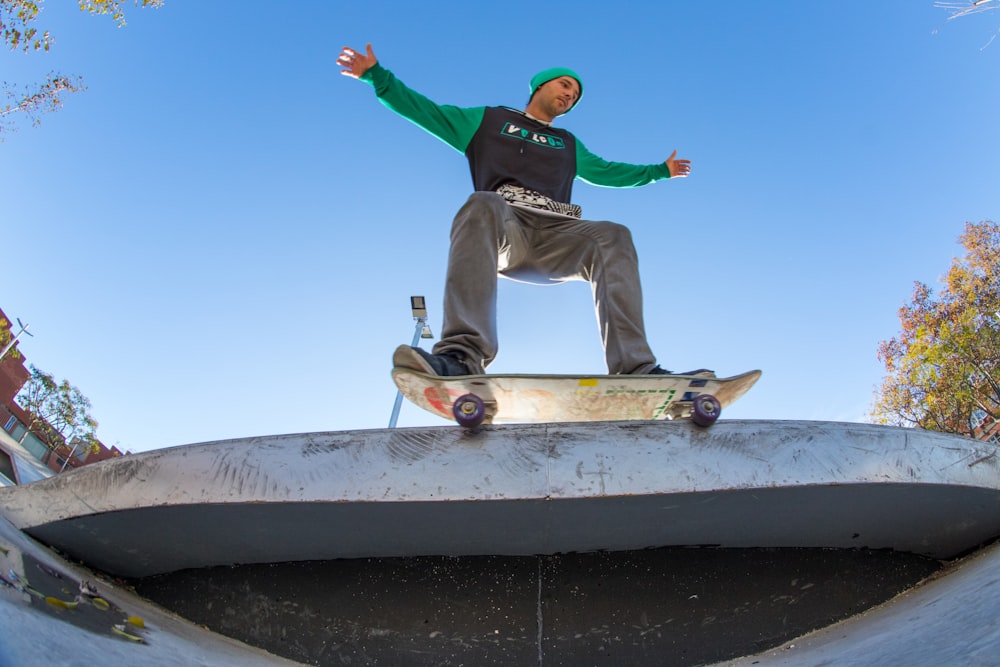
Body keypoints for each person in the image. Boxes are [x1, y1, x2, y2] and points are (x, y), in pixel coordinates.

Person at [338, 43, 710, 377]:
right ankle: (462, 355)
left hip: (558, 238)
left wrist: (659, 172)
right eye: (565, 85)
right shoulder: (487, 120)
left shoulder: (567, 143)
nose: (570, 94)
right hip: (505, 231)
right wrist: (376, 76)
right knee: (483, 202)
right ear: (540, 86)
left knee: (614, 234)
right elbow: (427, 112)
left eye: (576, 94)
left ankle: (635, 367)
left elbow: (609, 172)